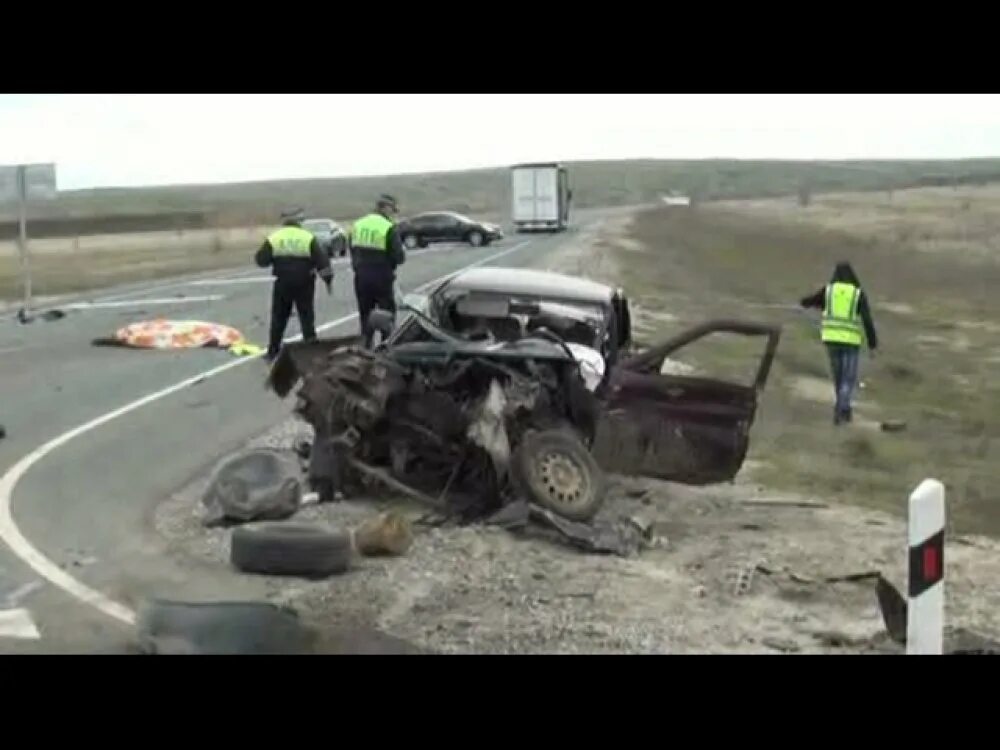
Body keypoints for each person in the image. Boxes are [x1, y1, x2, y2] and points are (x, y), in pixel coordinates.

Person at [799, 261, 879, 425]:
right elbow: (867, 319)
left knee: (838, 378)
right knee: (847, 380)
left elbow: (811, 301)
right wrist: (872, 344)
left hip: (831, 341)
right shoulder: (857, 294)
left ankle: (844, 409)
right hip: (849, 342)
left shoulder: (828, 291)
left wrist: (803, 302)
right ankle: (841, 410)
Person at [255, 208, 333, 361]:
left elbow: (261, 260)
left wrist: (277, 259)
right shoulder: (308, 237)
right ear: (299, 223)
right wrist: (328, 280)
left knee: (279, 317)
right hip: (305, 282)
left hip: (283, 282)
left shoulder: (275, 237)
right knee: (306, 316)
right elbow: (322, 261)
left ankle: (273, 350)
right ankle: (310, 348)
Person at [349, 195, 406, 347]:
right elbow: (399, 257)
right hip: (382, 276)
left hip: (361, 276)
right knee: (386, 315)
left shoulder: (358, 224)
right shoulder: (387, 227)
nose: (393, 214)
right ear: (386, 208)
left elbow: (352, 250)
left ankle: (366, 349)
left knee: (365, 315)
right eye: (392, 211)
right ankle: (386, 348)